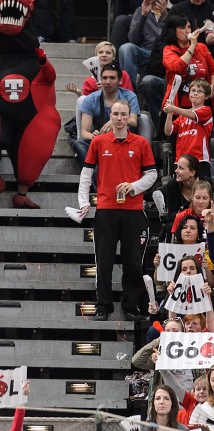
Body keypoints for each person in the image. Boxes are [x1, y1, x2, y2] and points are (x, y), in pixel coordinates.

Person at [78, 100, 157, 321]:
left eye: (124, 114)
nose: (120, 118)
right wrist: (84, 201)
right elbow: (86, 174)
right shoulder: (99, 142)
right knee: (103, 260)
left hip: (133, 210)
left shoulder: (141, 143)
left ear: (129, 117)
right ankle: (103, 306)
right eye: (116, 114)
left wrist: (133, 187)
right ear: (110, 117)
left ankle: (130, 307)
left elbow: (152, 175)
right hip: (106, 209)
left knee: (133, 261)